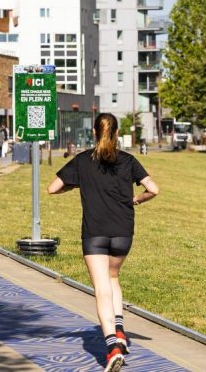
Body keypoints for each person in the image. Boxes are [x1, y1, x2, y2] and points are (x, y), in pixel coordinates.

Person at [48, 113, 159, 372]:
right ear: (116, 133)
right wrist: (137, 200)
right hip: (123, 232)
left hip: (95, 233)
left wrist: (75, 186)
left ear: (94, 133)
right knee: (113, 279)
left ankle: (112, 348)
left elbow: (52, 188)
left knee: (101, 289)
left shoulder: (82, 161)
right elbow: (154, 189)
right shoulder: (129, 161)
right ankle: (120, 332)